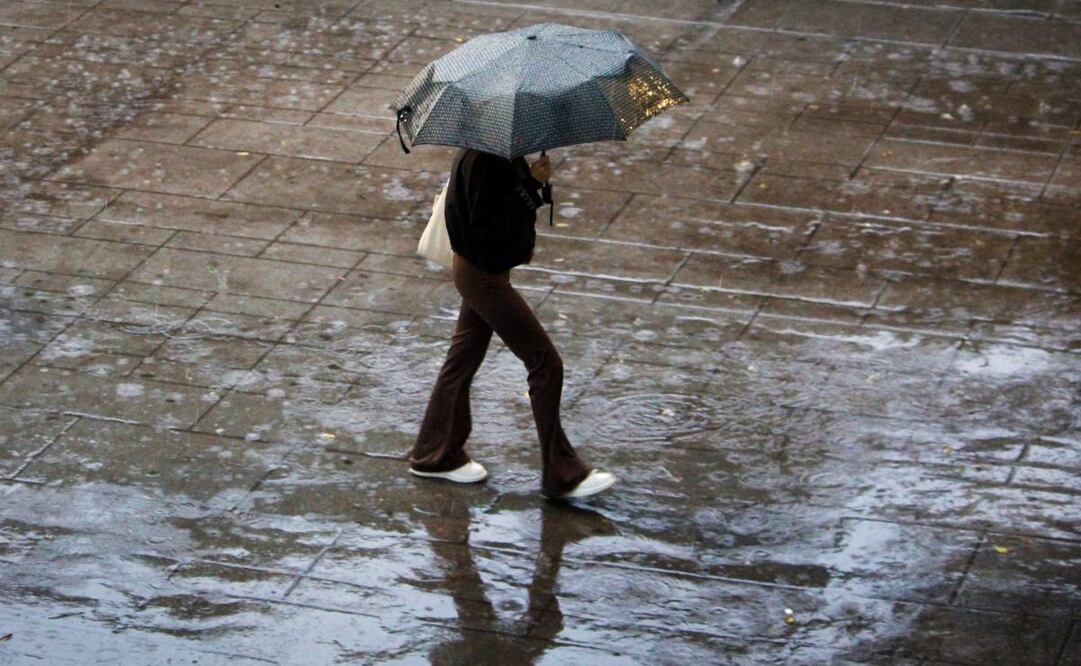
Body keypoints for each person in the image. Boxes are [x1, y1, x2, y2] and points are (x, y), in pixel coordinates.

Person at [407, 147, 617, 499]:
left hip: (481, 272)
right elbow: (490, 224)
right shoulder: (483, 160)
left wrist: (532, 183)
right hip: (483, 276)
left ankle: (434, 454)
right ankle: (562, 474)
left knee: (462, 360)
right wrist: (530, 185)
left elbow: (499, 211)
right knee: (545, 364)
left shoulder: (493, 153)